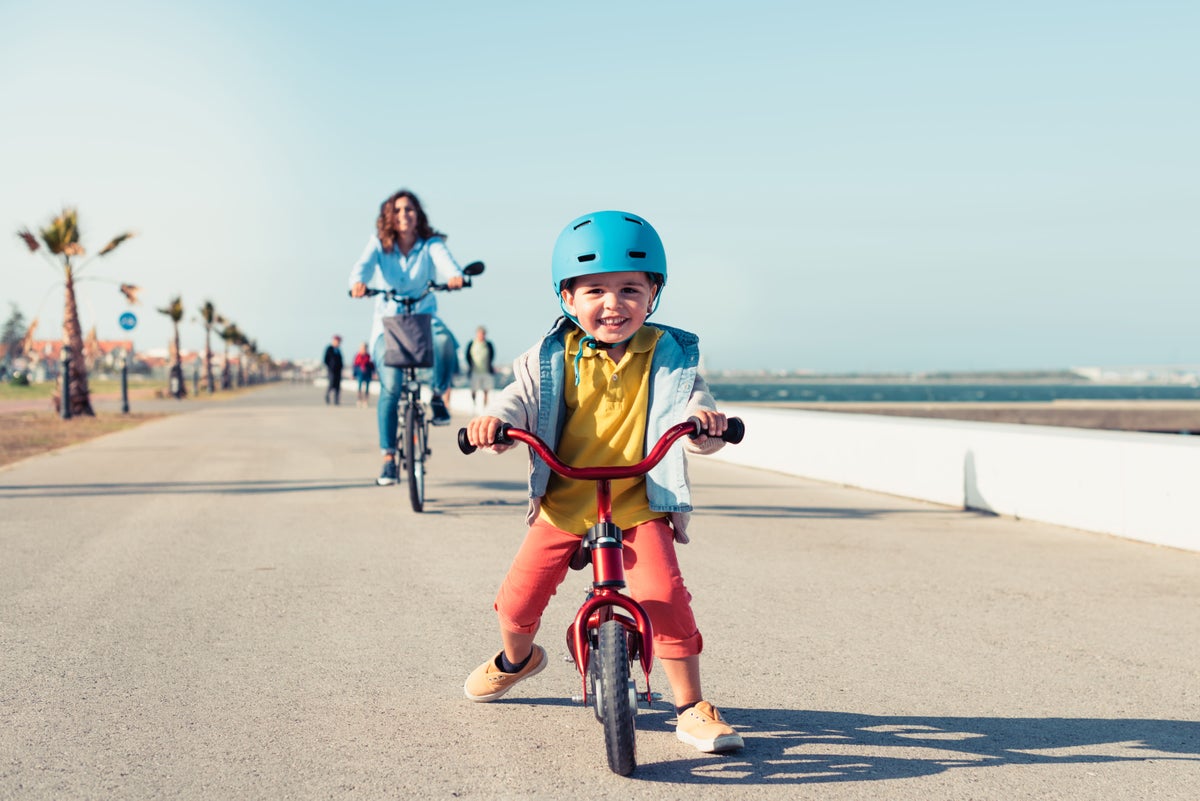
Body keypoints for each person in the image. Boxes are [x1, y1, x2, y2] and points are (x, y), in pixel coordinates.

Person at [462, 210, 744, 754]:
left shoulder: (669, 355)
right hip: (565, 501)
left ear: (653, 294)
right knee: (518, 601)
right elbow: (515, 399)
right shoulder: (550, 355)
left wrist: (705, 426)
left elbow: (694, 404)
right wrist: (497, 426)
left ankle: (691, 706)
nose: (613, 304)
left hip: (638, 501)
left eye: (630, 290)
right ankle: (516, 661)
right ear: (568, 299)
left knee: (662, 595)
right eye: (595, 290)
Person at [349, 190, 467, 486]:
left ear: (418, 215)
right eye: (398, 210)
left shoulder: (431, 245)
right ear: (389, 216)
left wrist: (456, 277)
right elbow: (361, 268)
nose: (404, 215)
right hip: (387, 326)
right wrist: (358, 284)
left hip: (423, 320)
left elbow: (447, 263)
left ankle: (438, 396)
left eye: (410, 210)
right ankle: (389, 457)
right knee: (391, 386)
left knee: (445, 341)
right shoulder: (379, 245)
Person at [463, 325, 496, 409]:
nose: (482, 335)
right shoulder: (471, 344)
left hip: (486, 371)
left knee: (486, 390)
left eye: (483, 334)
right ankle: (474, 403)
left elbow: (492, 355)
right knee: (474, 389)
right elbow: (467, 356)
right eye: (480, 333)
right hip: (475, 371)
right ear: (477, 334)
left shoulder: (488, 344)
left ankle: (485, 407)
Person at [323, 334, 344, 405]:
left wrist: (341, 367)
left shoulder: (338, 350)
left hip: (338, 370)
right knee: (331, 383)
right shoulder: (329, 349)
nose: (338, 343)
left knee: (338, 385)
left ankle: (336, 400)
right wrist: (330, 366)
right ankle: (327, 395)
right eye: (337, 341)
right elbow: (326, 359)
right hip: (331, 370)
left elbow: (341, 361)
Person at [352, 342, 375, 407]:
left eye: (364, 348)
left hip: (368, 374)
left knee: (367, 388)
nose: (363, 349)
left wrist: (373, 373)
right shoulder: (357, 356)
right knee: (359, 387)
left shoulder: (368, 356)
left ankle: (365, 401)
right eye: (362, 348)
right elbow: (355, 366)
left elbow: (372, 366)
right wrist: (353, 374)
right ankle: (359, 400)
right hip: (360, 374)